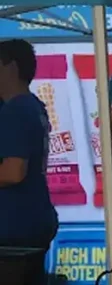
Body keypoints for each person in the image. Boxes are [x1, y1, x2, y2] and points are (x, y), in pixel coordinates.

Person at [0, 39, 58, 283]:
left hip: (15, 228)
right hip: (31, 221)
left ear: (10, 67)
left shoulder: (16, 110)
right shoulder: (33, 106)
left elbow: (13, 172)